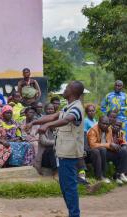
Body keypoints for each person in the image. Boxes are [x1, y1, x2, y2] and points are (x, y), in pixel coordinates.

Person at [27, 81, 85, 217]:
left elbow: (67, 120)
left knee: (69, 187)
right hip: (62, 152)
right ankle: (73, 214)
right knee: (65, 187)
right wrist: (34, 122)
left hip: (69, 153)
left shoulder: (77, 108)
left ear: (73, 92)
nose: (65, 89)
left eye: (68, 87)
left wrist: (47, 126)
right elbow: (52, 116)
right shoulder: (68, 107)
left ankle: (74, 215)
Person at [87, 116, 127, 184]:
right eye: (103, 123)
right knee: (103, 150)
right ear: (99, 123)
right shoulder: (93, 130)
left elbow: (110, 142)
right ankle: (102, 176)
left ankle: (119, 174)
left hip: (105, 151)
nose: (105, 126)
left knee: (123, 151)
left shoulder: (109, 130)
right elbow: (92, 145)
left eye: (107, 124)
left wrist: (116, 147)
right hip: (94, 153)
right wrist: (109, 145)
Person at [34, 103, 57, 175]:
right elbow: (44, 142)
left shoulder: (58, 124)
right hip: (45, 156)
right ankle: (56, 172)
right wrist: (57, 142)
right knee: (51, 149)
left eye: (52, 109)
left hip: (57, 153)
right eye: (48, 109)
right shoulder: (42, 123)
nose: (50, 111)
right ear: (45, 110)